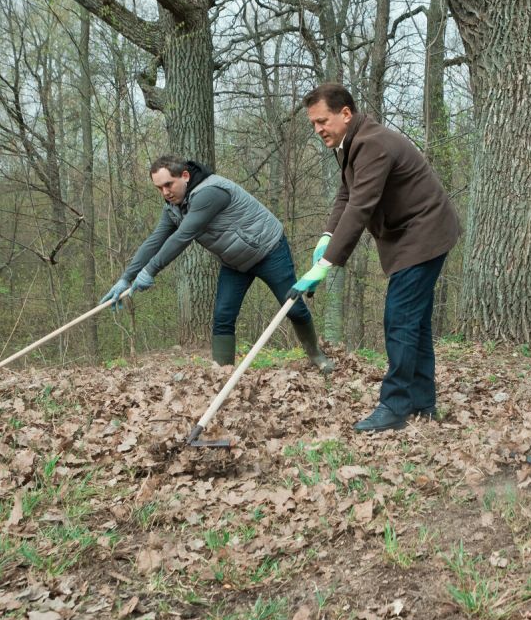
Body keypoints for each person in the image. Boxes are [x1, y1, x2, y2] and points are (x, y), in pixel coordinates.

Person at [290, 84, 460, 432]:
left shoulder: (372, 144)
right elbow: (346, 194)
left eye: (323, 120)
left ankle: (395, 406)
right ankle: (423, 403)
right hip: (408, 235)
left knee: (399, 319)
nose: (318, 129)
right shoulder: (348, 145)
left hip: (424, 232)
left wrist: (327, 264)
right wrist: (326, 236)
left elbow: (361, 206)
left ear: (346, 114)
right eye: (314, 124)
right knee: (415, 322)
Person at [101, 154, 333, 374]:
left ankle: (315, 355)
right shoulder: (173, 208)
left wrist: (150, 270)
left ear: (185, 176)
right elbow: (155, 241)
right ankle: (223, 374)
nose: (165, 192)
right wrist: (126, 277)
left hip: (268, 249)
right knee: (223, 316)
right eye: (159, 188)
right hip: (235, 262)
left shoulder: (210, 192)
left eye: (169, 185)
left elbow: (184, 235)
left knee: (293, 307)